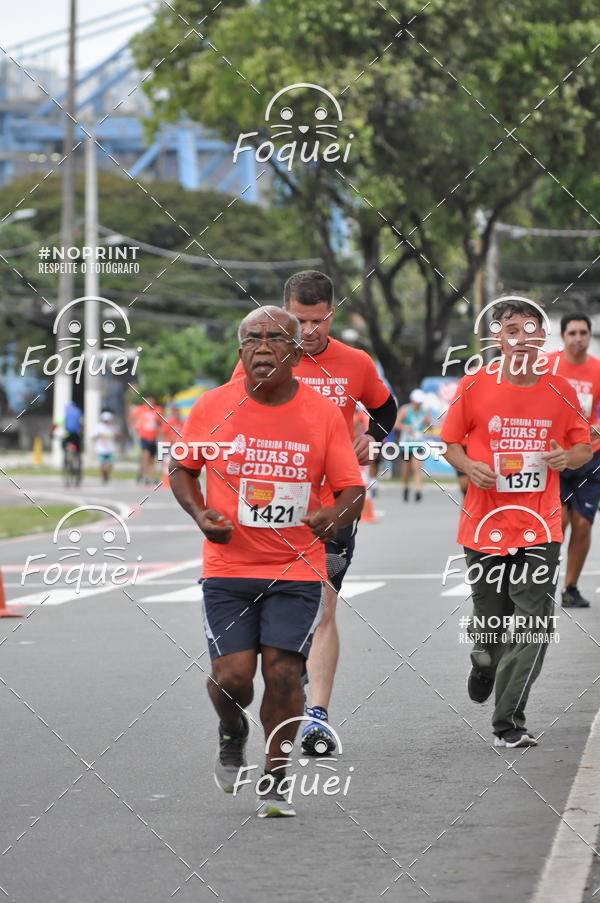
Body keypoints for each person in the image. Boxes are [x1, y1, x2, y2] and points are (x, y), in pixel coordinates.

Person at [170, 306, 364, 816]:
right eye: (252, 339)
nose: (262, 347)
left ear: (297, 353)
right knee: (233, 678)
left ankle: (275, 778)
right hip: (229, 568)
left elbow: (352, 489)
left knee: (283, 673)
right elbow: (183, 470)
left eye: (276, 339)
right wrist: (200, 514)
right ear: (240, 351)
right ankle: (232, 730)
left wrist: (332, 515)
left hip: (296, 568)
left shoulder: (322, 414)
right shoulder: (212, 407)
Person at [231, 271, 397, 755]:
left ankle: (318, 717)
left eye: (318, 320)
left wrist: (375, 438)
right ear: (284, 313)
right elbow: (231, 414)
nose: (309, 331)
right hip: (269, 508)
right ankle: (291, 682)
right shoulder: (262, 357)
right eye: (299, 320)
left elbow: (386, 410)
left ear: (332, 314)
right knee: (284, 614)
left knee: (324, 606)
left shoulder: (355, 363)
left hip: (332, 505)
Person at [442, 298, 591, 748]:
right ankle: (485, 663)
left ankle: (509, 721)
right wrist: (469, 467)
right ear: (497, 339)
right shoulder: (473, 386)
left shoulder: (562, 389)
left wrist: (568, 457)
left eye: (531, 329)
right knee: (492, 625)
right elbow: (449, 444)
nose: (522, 338)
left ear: (542, 338)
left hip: (540, 525)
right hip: (484, 525)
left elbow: (583, 447)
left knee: (532, 624)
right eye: (512, 329)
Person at [546, 313, 600, 608]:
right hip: (555, 455)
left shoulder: (597, 369)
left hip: (590, 455)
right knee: (560, 521)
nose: (578, 338)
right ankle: (543, 584)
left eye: (584, 333)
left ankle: (571, 587)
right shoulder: (549, 366)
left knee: (582, 524)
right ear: (563, 336)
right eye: (573, 333)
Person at [396, 388, 432, 502]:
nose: (418, 404)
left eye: (420, 401)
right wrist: (406, 428)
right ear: (412, 400)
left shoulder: (424, 411)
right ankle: (406, 487)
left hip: (418, 444)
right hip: (406, 444)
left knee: (417, 468)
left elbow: (429, 425)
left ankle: (418, 491)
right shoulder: (405, 410)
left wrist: (427, 424)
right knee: (406, 470)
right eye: (417, 401)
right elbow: (396, 424)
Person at [129, 395, 164, 484]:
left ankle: (148, 475)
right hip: (143, 436)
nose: (150, 403)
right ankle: (145, 476)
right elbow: (133, 418)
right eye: (148, 401)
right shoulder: (141, 409)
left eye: (152, 401)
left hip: (153, 437)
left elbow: (161, 423)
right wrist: (134, 427)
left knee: (152, 458)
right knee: (146, 456)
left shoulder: (158, 410)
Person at [91, 411, 119, 483]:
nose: (107, 422)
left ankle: (107, 474)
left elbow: (118, 434)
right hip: (101, 449)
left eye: (108, 420)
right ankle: (104, 476)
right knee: (102, 465)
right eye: (105, 420)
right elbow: (92, 436)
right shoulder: (98, 427)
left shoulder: (113, 427)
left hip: (110, 448)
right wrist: (99, 435)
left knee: (110, 465)